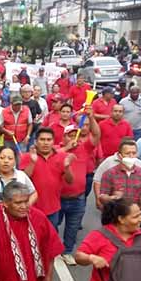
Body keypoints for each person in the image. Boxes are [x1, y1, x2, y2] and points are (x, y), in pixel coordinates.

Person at [56, 111, 101, 264]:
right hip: (58, 197)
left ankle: (67, 251)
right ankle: (52, 249)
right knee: (53, 225)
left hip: (78, 197)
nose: (73, 137)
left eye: (76, 134)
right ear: (64, 137)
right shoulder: (57, 149)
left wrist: (92, 117)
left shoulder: (84, 147)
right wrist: (67, 148)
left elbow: (96, 135)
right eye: (69, 134)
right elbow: (52, 154)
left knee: (73, 227)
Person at [20, 127, 75, 228]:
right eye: (42, 139)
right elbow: (22, 180)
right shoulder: (27, 157)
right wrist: (32, 162)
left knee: (51, 237)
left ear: (53, 142)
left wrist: (67, 168)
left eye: (49, 140)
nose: (45, 143)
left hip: (53, 208)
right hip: (31, 208)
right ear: (36, 142)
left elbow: (70, 181)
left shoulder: (62, 156)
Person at [99, 139, 141, 207]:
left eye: (134, 153)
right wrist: (112, 198)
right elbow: (102, 197)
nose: (131, 156)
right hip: (115, 213)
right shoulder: (109, 173)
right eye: (127, 153)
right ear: (120, 156)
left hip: (135, 213)